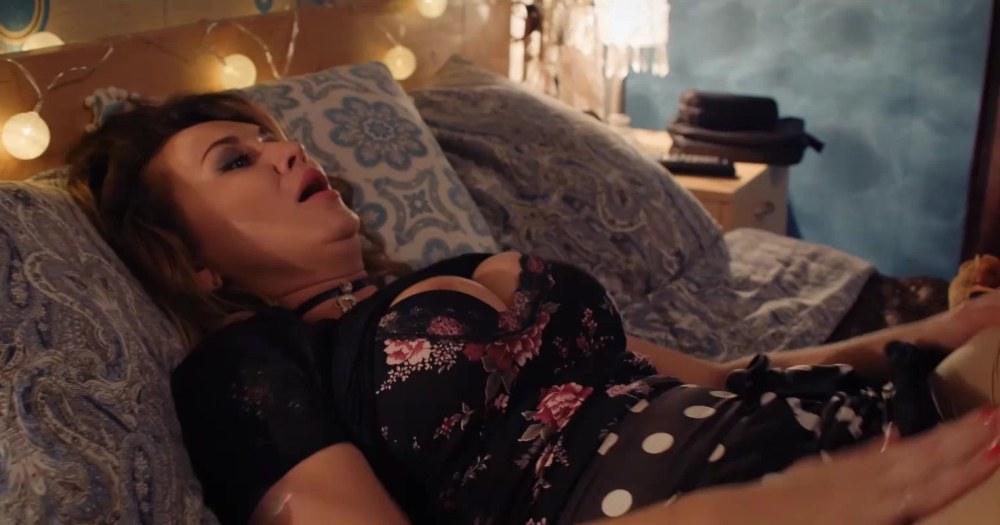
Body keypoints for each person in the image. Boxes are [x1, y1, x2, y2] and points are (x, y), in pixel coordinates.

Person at [66, 92, 1000, 525]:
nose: (285, 152)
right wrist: (780, 507)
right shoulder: (247, 370)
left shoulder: (445, 272)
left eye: (272, 138)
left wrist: (938, 331)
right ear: (195, 263)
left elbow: (721, 376)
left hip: (870, 429)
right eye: (235, 161)